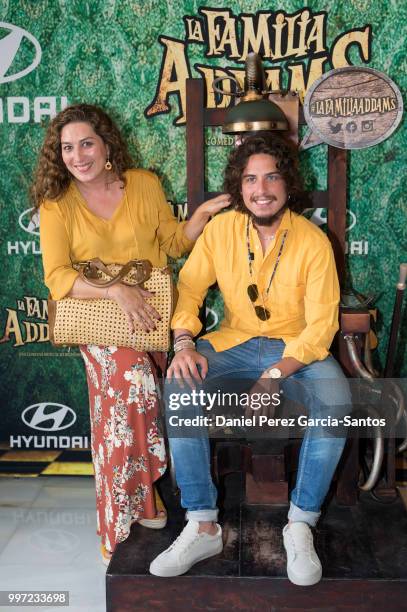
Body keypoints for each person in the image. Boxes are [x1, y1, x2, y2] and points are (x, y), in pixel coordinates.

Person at [149, 132, 351, 586]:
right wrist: (183, 341)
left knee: (336, 401)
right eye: (250, 179)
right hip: (233, 340)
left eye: (272, 177)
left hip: (296, 348)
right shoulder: (221, 230)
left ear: (288, 184)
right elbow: (191, 287)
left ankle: (300, 524)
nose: (262, 189)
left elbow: (321, 326)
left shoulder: (314, 241)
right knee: (181, 385)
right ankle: (202, 524)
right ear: (239, 188)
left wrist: (275, 375)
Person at [33, 103, 230, 565]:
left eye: (86, 144)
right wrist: (117, 291)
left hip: (149, 321)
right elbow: (57, 277)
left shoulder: (142, 184)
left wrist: (198, 219)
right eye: (67, 148)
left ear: (106, 145)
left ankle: (145, 502)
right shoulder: (56, 204)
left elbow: (171, 243)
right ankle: (116, 520)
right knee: (132, 394)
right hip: (98, 321)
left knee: (126, 412)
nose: (77, 156)